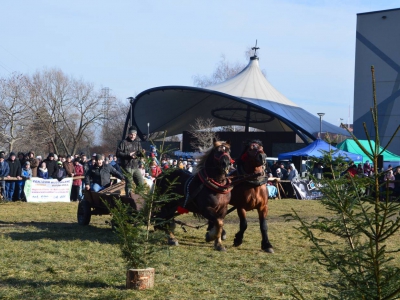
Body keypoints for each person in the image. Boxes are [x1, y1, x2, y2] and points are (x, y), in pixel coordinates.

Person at [116, 126, 145, 195]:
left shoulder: (137, 143)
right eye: (131, 134)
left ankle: (138, 198)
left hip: (135, 166)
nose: (132, 136)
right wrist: (128, 155)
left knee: (141, 181)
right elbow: (118, 153)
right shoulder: (124, 142)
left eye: (134, 135)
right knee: (129, 183)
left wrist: (142, 153)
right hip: (127, 166)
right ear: (128, 134)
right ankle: (129, 197)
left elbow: (139, 154)